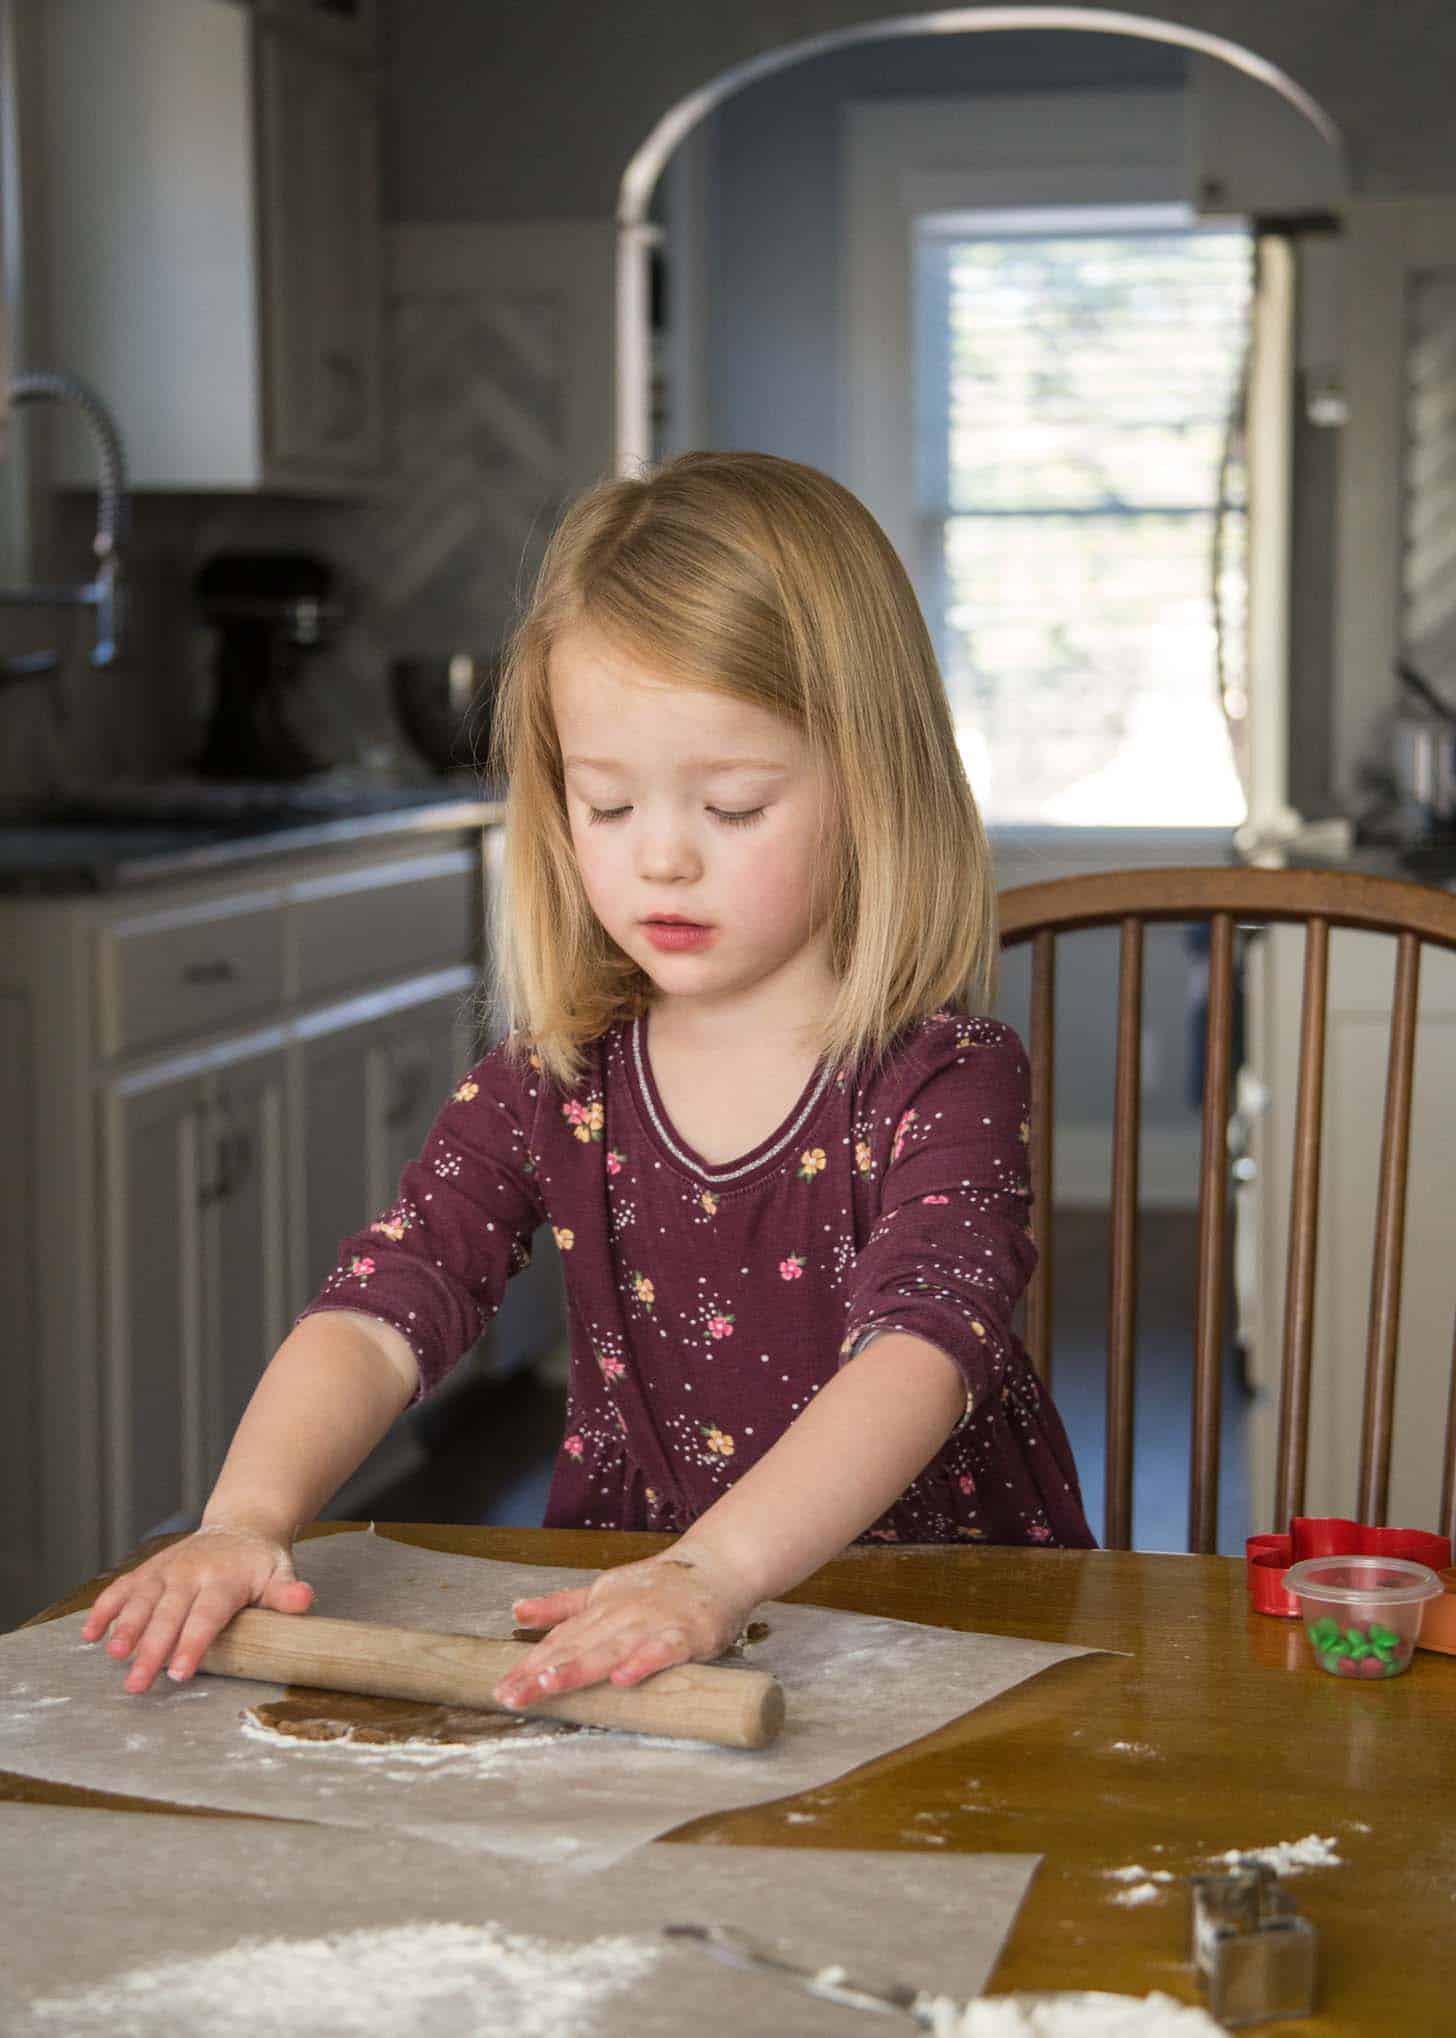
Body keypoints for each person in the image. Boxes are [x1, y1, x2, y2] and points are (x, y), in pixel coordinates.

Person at [82, 450, 1094, 1710]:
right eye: (606, 806)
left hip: (942, 1621)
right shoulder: (556, 1079)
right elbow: (381, 1304)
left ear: (874, 789)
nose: (660, 859)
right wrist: (244, 1515)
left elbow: (921, 1354)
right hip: (634, 1611)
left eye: (730, 806)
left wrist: (717, 1569)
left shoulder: (944, 1081)